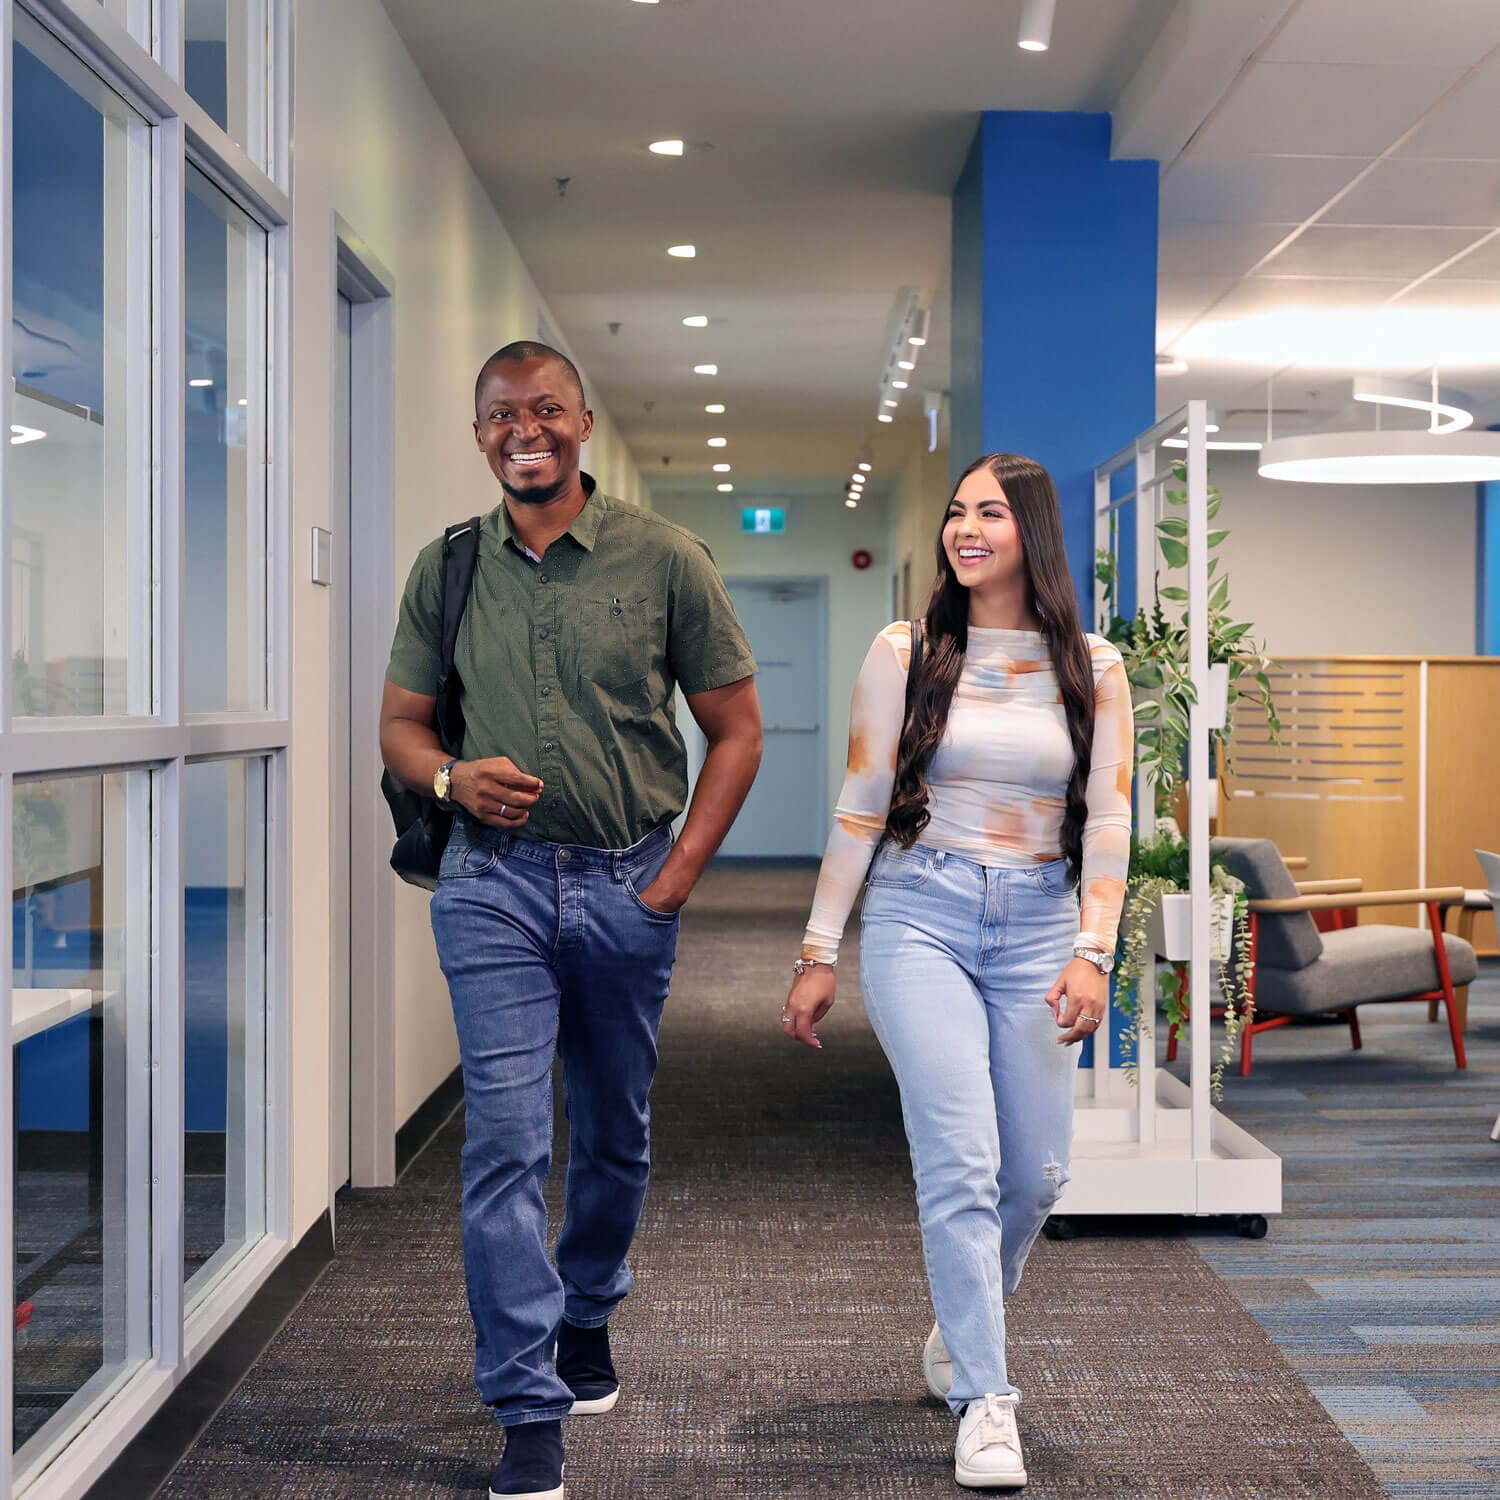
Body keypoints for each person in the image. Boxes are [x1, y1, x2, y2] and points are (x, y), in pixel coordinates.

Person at [380, 341, 762, 1500]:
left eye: (545, 409)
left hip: (627, 881)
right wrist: (450, 782)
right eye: (501, 415)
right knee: (504, 1143)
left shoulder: (664, 560)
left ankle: (587, 1308)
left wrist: (680, 873)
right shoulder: (446, 568)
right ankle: (526, 1405)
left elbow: (737, 730)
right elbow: (400, 726)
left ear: (582, 422)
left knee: (612, 1129)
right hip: (490, 886)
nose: (524, 429)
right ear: (480, 432)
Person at [782, 453, 1133, 1490]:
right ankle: (987, 1399)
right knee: (962, 1165)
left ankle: (962, 1307)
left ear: (1033, 529)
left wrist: (1093, 952)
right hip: (919, 914)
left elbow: (1109, 818)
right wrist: (817, 950)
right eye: (955, 512)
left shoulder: (1094, 666)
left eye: (989, 512)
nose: (964, 528)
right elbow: (861, 798)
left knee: (1035, 1177)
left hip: (1038, 923)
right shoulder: (908, 648)